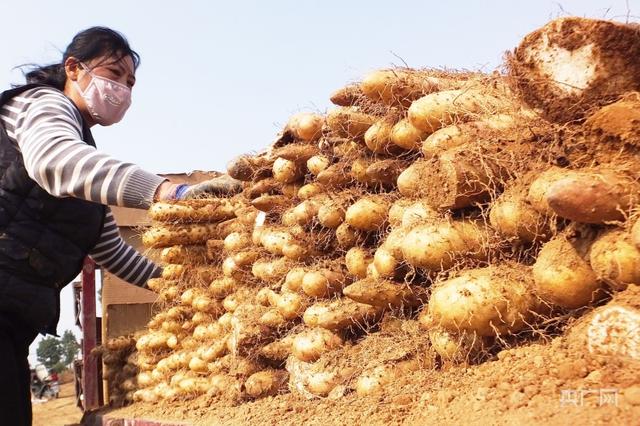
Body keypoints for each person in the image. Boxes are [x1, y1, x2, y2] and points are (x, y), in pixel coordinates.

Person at [0, 26, 240, 425]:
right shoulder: (44, 105)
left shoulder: (84, 154)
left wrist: (184, 284)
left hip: (12, 319)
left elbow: (111, 251)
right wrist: (169, 192)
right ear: (73, 68)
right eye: (113, 74)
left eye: (129, 82)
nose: (122, 89)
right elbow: (55, 161)